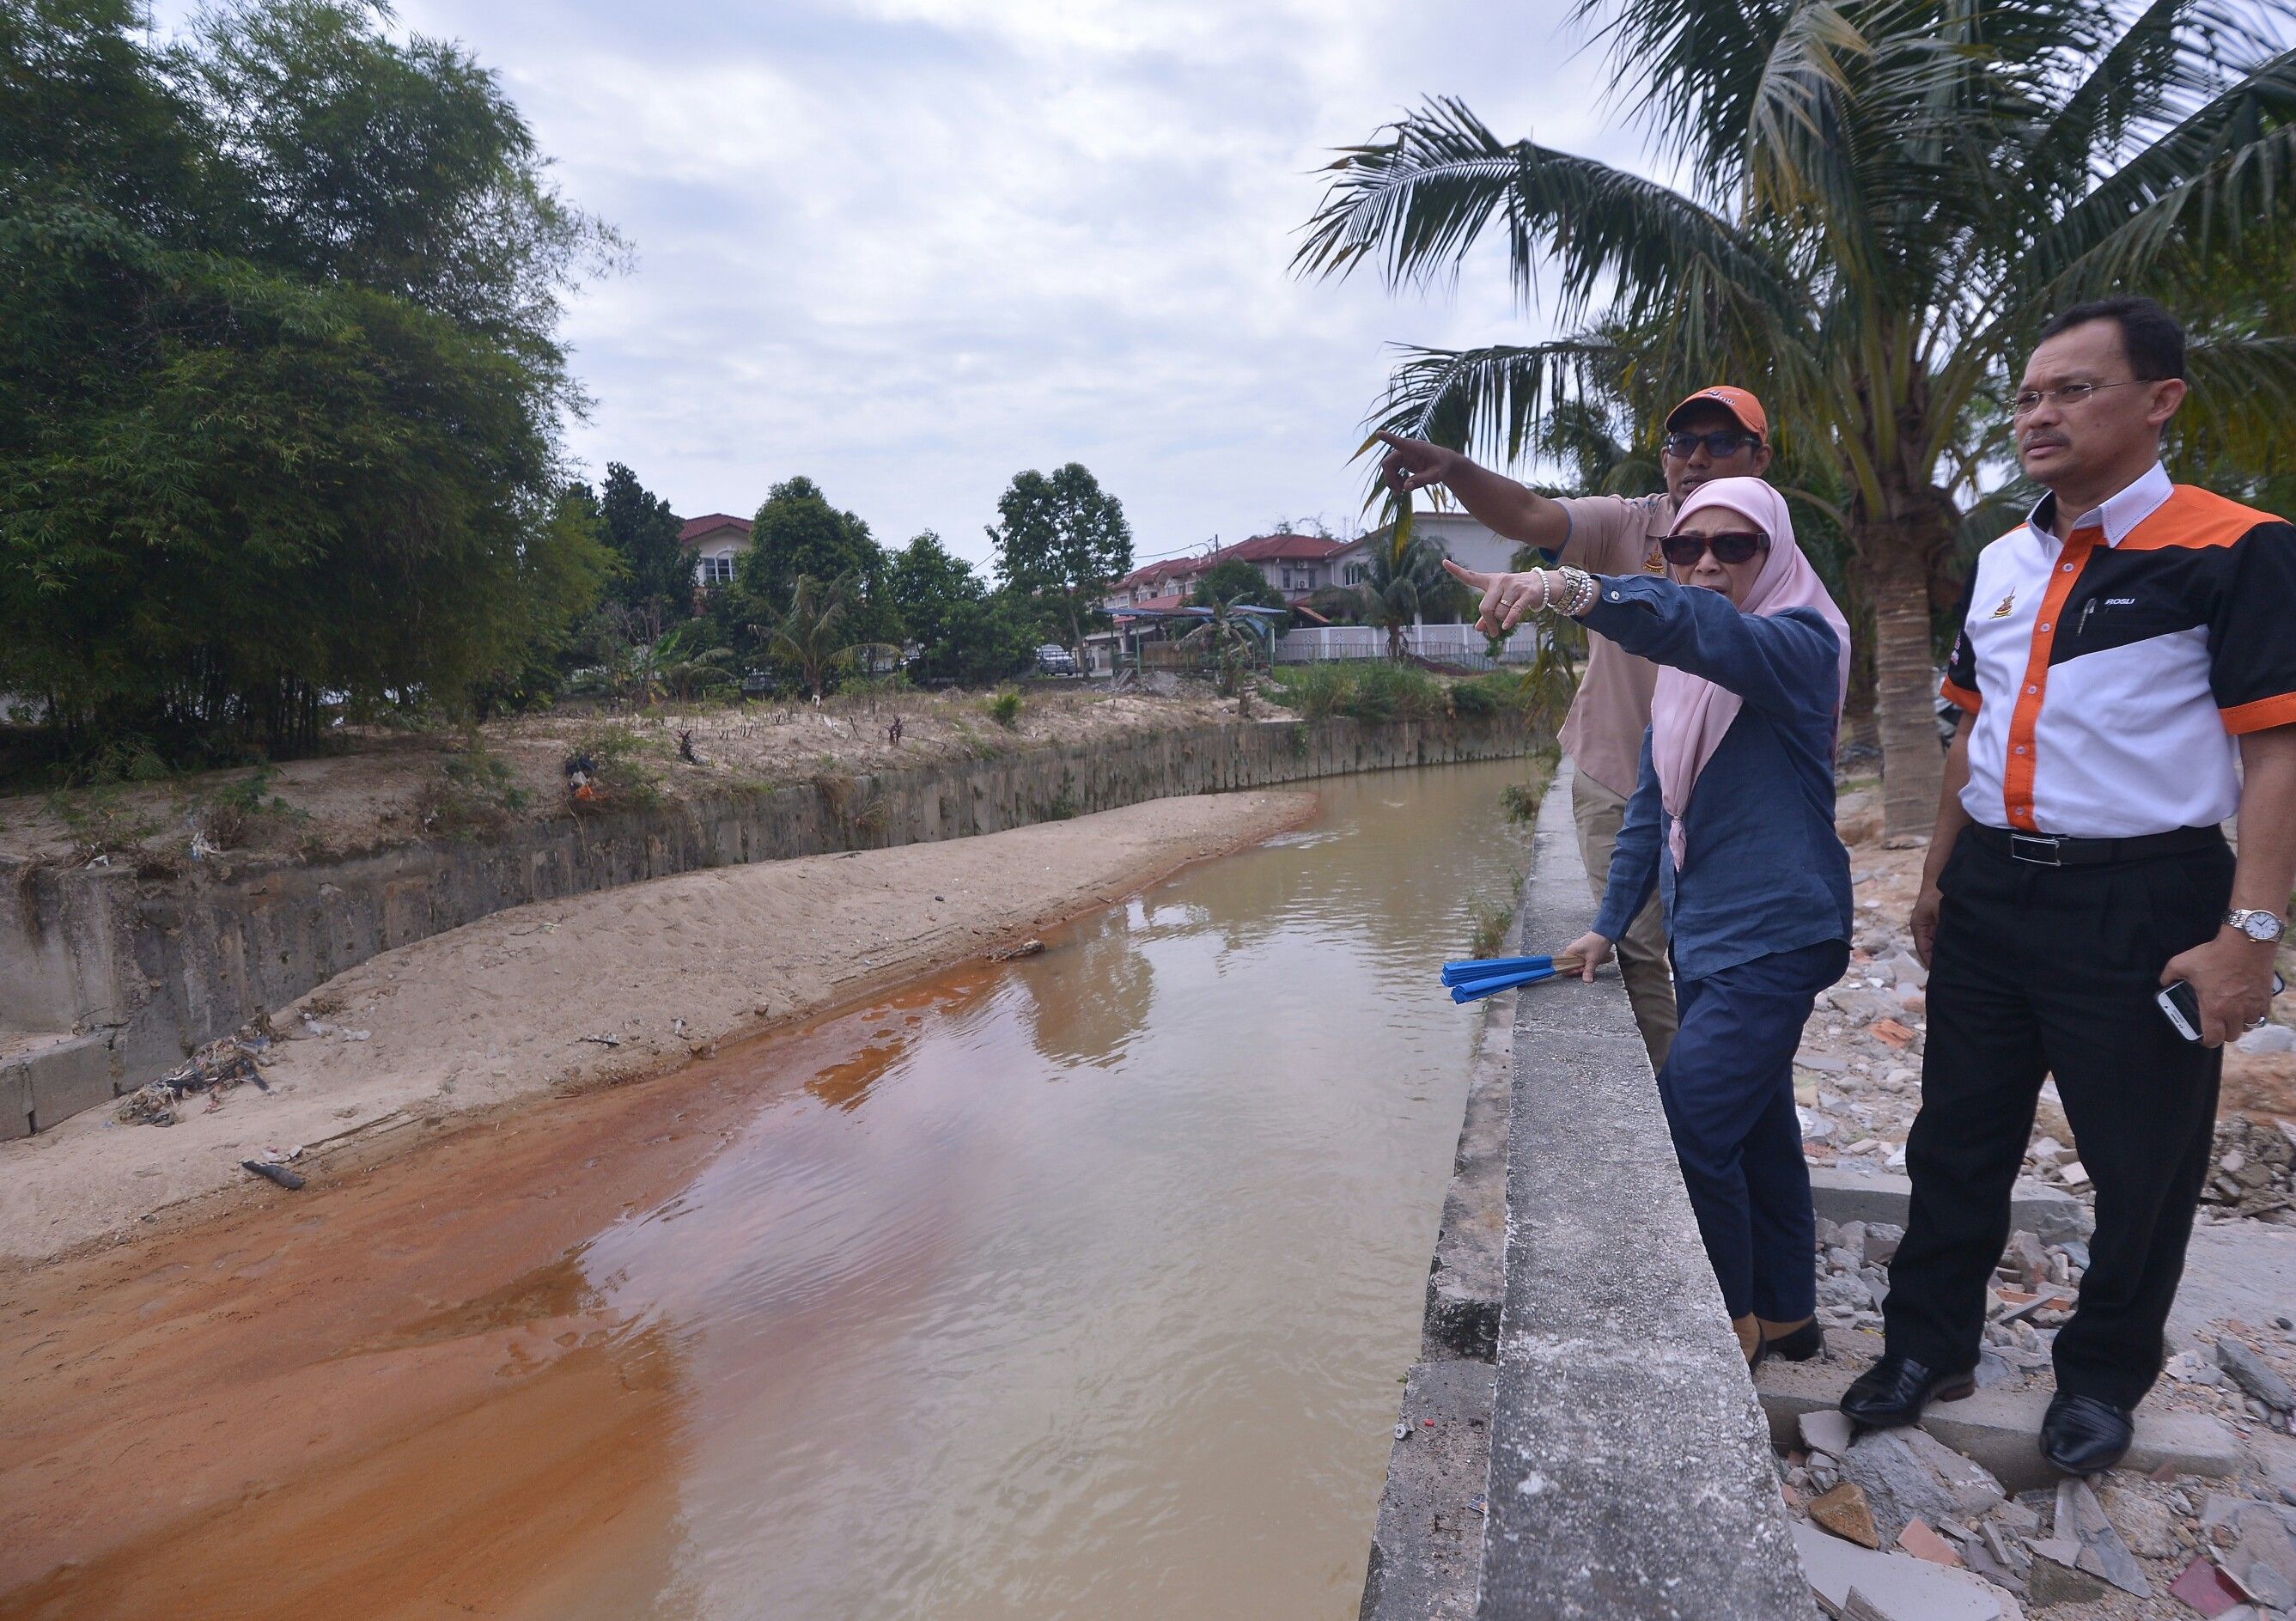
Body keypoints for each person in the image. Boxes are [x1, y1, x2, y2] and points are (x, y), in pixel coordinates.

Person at [1842, 297, 2296, 1475]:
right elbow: (1970, 728)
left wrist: (2250, 934)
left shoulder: (2235, 545)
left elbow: (2276, 751)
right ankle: (1925, 1343)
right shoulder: (2000, 558)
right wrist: (1938, 876)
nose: (2038, 412)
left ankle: (2100, 1376)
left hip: (2144, 897)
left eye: (2071, 389)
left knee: (2141, 1156)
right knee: (1957, 1134)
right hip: (1993, 890)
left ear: (2159, 402)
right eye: (2029, 393)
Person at [1458, 478, 1853, 1366]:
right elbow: (1647, 811)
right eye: (1686, 547)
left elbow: (1700, 625)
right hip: (1709, 936)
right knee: (1757, 1126)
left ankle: (1729, 1319)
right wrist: (1606, 924)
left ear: (1775, 553)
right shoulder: (1683, 685)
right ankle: (1788, 1316)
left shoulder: (1799, 643)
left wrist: (1573, 589)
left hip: (1778, 935)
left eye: (1734, 546)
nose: (1706, 562)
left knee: (1693, 1124)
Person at [1378, 387, 1776, 1073]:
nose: (1698, 458)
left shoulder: (1775, 549)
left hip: (1726, 792)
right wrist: (1456, 469)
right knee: (1636, 948)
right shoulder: (1627, 525)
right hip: (1620, 773)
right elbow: (1532, 514)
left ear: (1758, 458)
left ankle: (1720, 1091)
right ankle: (1672, 1096)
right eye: (1683, 444)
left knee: (1721, 954)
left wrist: (1568, 588)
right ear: (1663, 458)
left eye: (1720, 443)